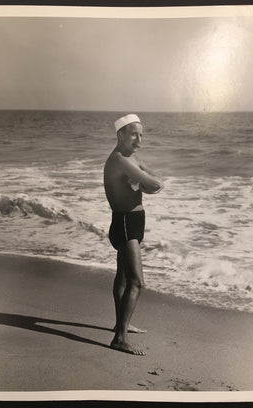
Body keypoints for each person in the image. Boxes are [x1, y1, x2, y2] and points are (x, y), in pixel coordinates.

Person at [104, 114, 163, 356]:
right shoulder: (119, 160)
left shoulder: (130, 158)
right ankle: (120, 338)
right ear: (120, 135)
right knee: (137, 281)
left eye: (141, 135)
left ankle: (121, 325)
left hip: (130, 222)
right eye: (134, 134)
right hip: (126, 223)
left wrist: (144, 182)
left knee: (124, 278)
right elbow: (155, 184)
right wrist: (144, 182)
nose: (139, 140)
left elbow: (155, 181)